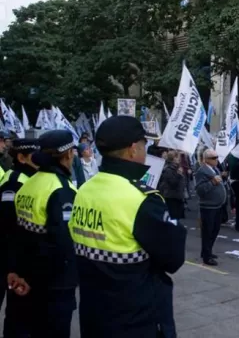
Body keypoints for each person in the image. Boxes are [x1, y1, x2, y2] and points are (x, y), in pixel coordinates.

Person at [68, 116, 187, 338]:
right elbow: (173, 258)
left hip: (94, 314)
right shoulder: (141, 199)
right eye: (145, 145)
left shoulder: (85, 189)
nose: (146, 151)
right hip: (136, 319)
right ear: (133, 149)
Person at [11, 130, 78, 337]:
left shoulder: (28, 184)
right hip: (55, 285)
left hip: (29, 277)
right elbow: (62, 245)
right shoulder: (61, 189)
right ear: (67, 155)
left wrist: (21, 273)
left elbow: (19, 236)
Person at [0, 138, 39, 338]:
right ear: (22, 157)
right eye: (35, 154)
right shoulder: (14, 182)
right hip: (8, 256)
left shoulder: (32, 178)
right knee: (15, 314)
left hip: (18, 256)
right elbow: (9, 224)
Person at [195, 149, 228, 266]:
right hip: (208, 207)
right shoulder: (201, 171)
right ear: (206, 160)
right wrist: (212, 183)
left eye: (217, 157)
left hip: (217, 205)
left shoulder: (215, 169)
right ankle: (206, 256)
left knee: (215, 230)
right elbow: (200, 190)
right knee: (208, 231)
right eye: (214, 158)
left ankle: (207, 251)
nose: (216, 160)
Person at [158, 151, 186, 220]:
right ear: (173, 158)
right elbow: (173, 183)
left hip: (177, 196)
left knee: (177, 217)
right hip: (171, 197)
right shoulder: (168, 169)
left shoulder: (176, 168)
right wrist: (179, 174)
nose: (179, 159)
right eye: (177, 157)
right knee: (173, 218)